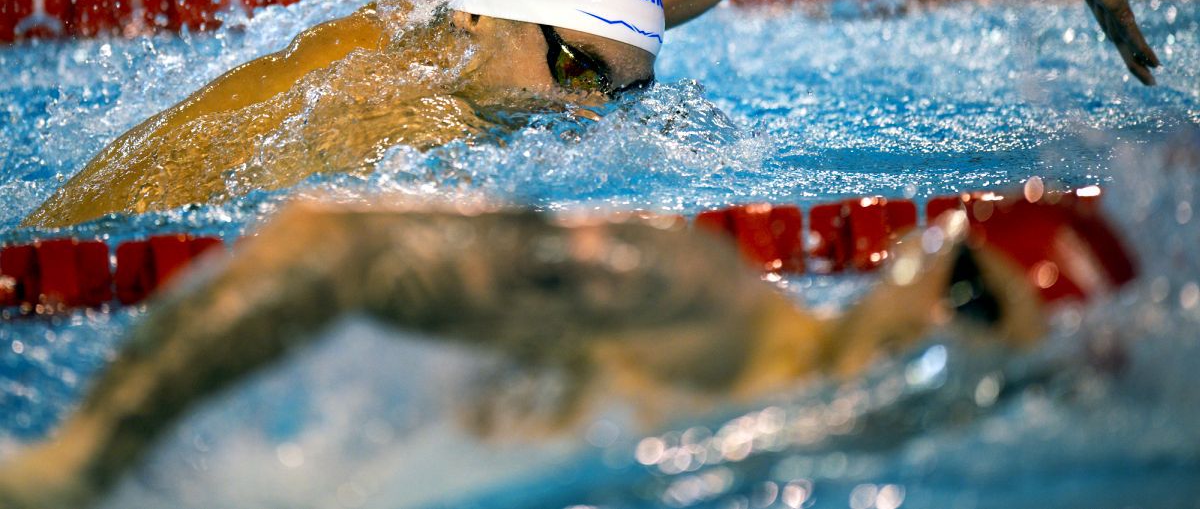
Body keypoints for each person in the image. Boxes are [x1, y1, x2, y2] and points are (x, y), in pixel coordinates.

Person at [22, 0, 1158, 231]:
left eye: (625, 92)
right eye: (578, 80)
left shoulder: (568, 18)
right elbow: (109, 209)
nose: (595, 119)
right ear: (482, 20)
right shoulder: (355, 102)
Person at [0, 196, 1057, 509]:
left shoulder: (851, 457)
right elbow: (336, 243)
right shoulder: (695, 298)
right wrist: (82, 462)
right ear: (920, 249)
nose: (940, 334)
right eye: (960, 288)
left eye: (985, 326)